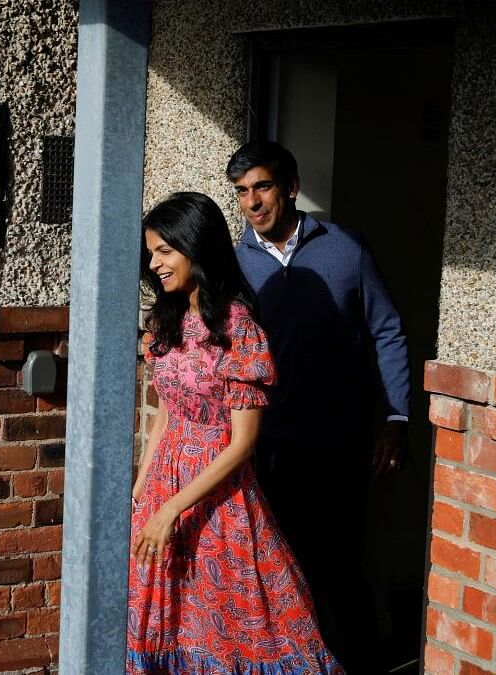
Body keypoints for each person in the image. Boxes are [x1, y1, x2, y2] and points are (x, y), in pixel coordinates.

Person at [127, 192, 343, 674]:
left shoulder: (238, 330)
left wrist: (173, 508)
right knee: (167, 618)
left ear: (196, 248)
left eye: (165, 251)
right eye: (151, 252)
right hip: (165, 483)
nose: (155, 263)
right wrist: (144, 488)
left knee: (237, 629)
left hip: (216, 498)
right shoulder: (168, 319)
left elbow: (242, 444)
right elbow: (166, 414)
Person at [227, 141, 411, 673]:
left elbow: (388, 331)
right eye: (241, 192)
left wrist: (396, 420)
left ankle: (367, 663)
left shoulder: (346, 248)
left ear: (289, 186)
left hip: (341, 441)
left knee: (341, 568)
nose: (252, 202)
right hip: (271, 445)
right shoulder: (237, 266)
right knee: (282, 568)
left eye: (261, 186)